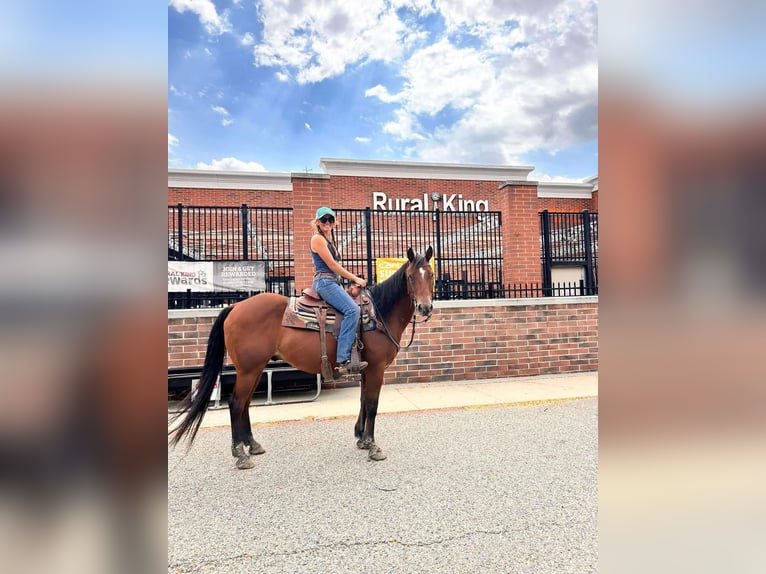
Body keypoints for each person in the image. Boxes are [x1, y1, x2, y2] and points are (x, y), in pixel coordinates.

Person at [310, 207, 368, 375]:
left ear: (334, 222)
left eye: (330, 219)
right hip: (325, 282)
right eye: (323, 220)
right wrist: (355, 278)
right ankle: (343, 359)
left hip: (332, 282)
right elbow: (333, 266)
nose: (327, 222)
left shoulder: (329, 241)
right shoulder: (317, 239)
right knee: (352, 310)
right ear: (317, 222)